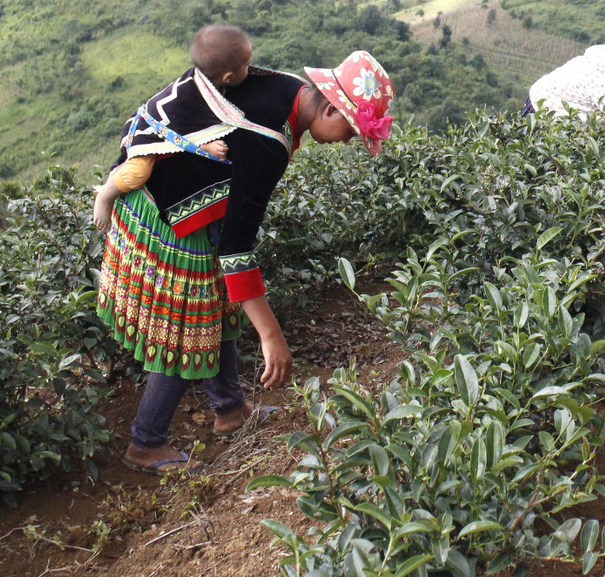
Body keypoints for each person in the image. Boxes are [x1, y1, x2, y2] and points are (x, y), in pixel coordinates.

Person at [96, 50, 395, 474]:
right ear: (329, 107)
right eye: (351, 130)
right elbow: (238, 246)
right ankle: (146, 442)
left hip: (191, 208)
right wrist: (272, 335)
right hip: (168, 214)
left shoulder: (289, 88)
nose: (348, 141)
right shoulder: (268, 139)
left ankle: (230, 408)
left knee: (217, 305)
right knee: (188, 325)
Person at [92, 24, 253, 232]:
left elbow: (190, 128)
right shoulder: (190, 96)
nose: (249, 70)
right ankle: (105, 197)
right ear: (228, 77)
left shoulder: (208, 85)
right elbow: (176, 134)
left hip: (164, 130)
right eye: (246, 66)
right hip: (147, 134)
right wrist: (206, 147)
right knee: (138, 172)